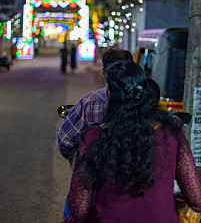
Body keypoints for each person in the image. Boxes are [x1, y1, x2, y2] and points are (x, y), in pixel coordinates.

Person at [63, 61, 201, 223]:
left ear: (109, 96)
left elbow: (79, 210)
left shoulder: (92, 138)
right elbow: (196, 199)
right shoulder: (171, 135)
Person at [57, 47, 133, 160]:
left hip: (97, 171)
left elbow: (65, 139)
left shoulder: (91, 102)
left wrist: (83, 160)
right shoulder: (146, 99)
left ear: (104, 72)